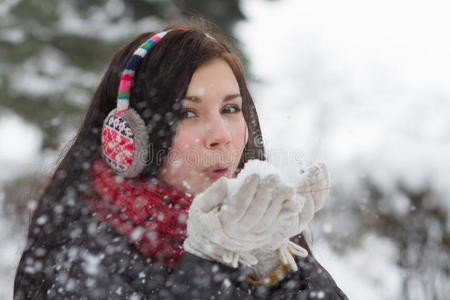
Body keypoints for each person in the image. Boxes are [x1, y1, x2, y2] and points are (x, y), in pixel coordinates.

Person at [14, 22, 348, 299]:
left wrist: (276, 266)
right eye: (188, 113)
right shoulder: (79, 256)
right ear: (131, 139)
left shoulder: (255, 226)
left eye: (231, 109)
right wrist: (210, 262)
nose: (221, 135)